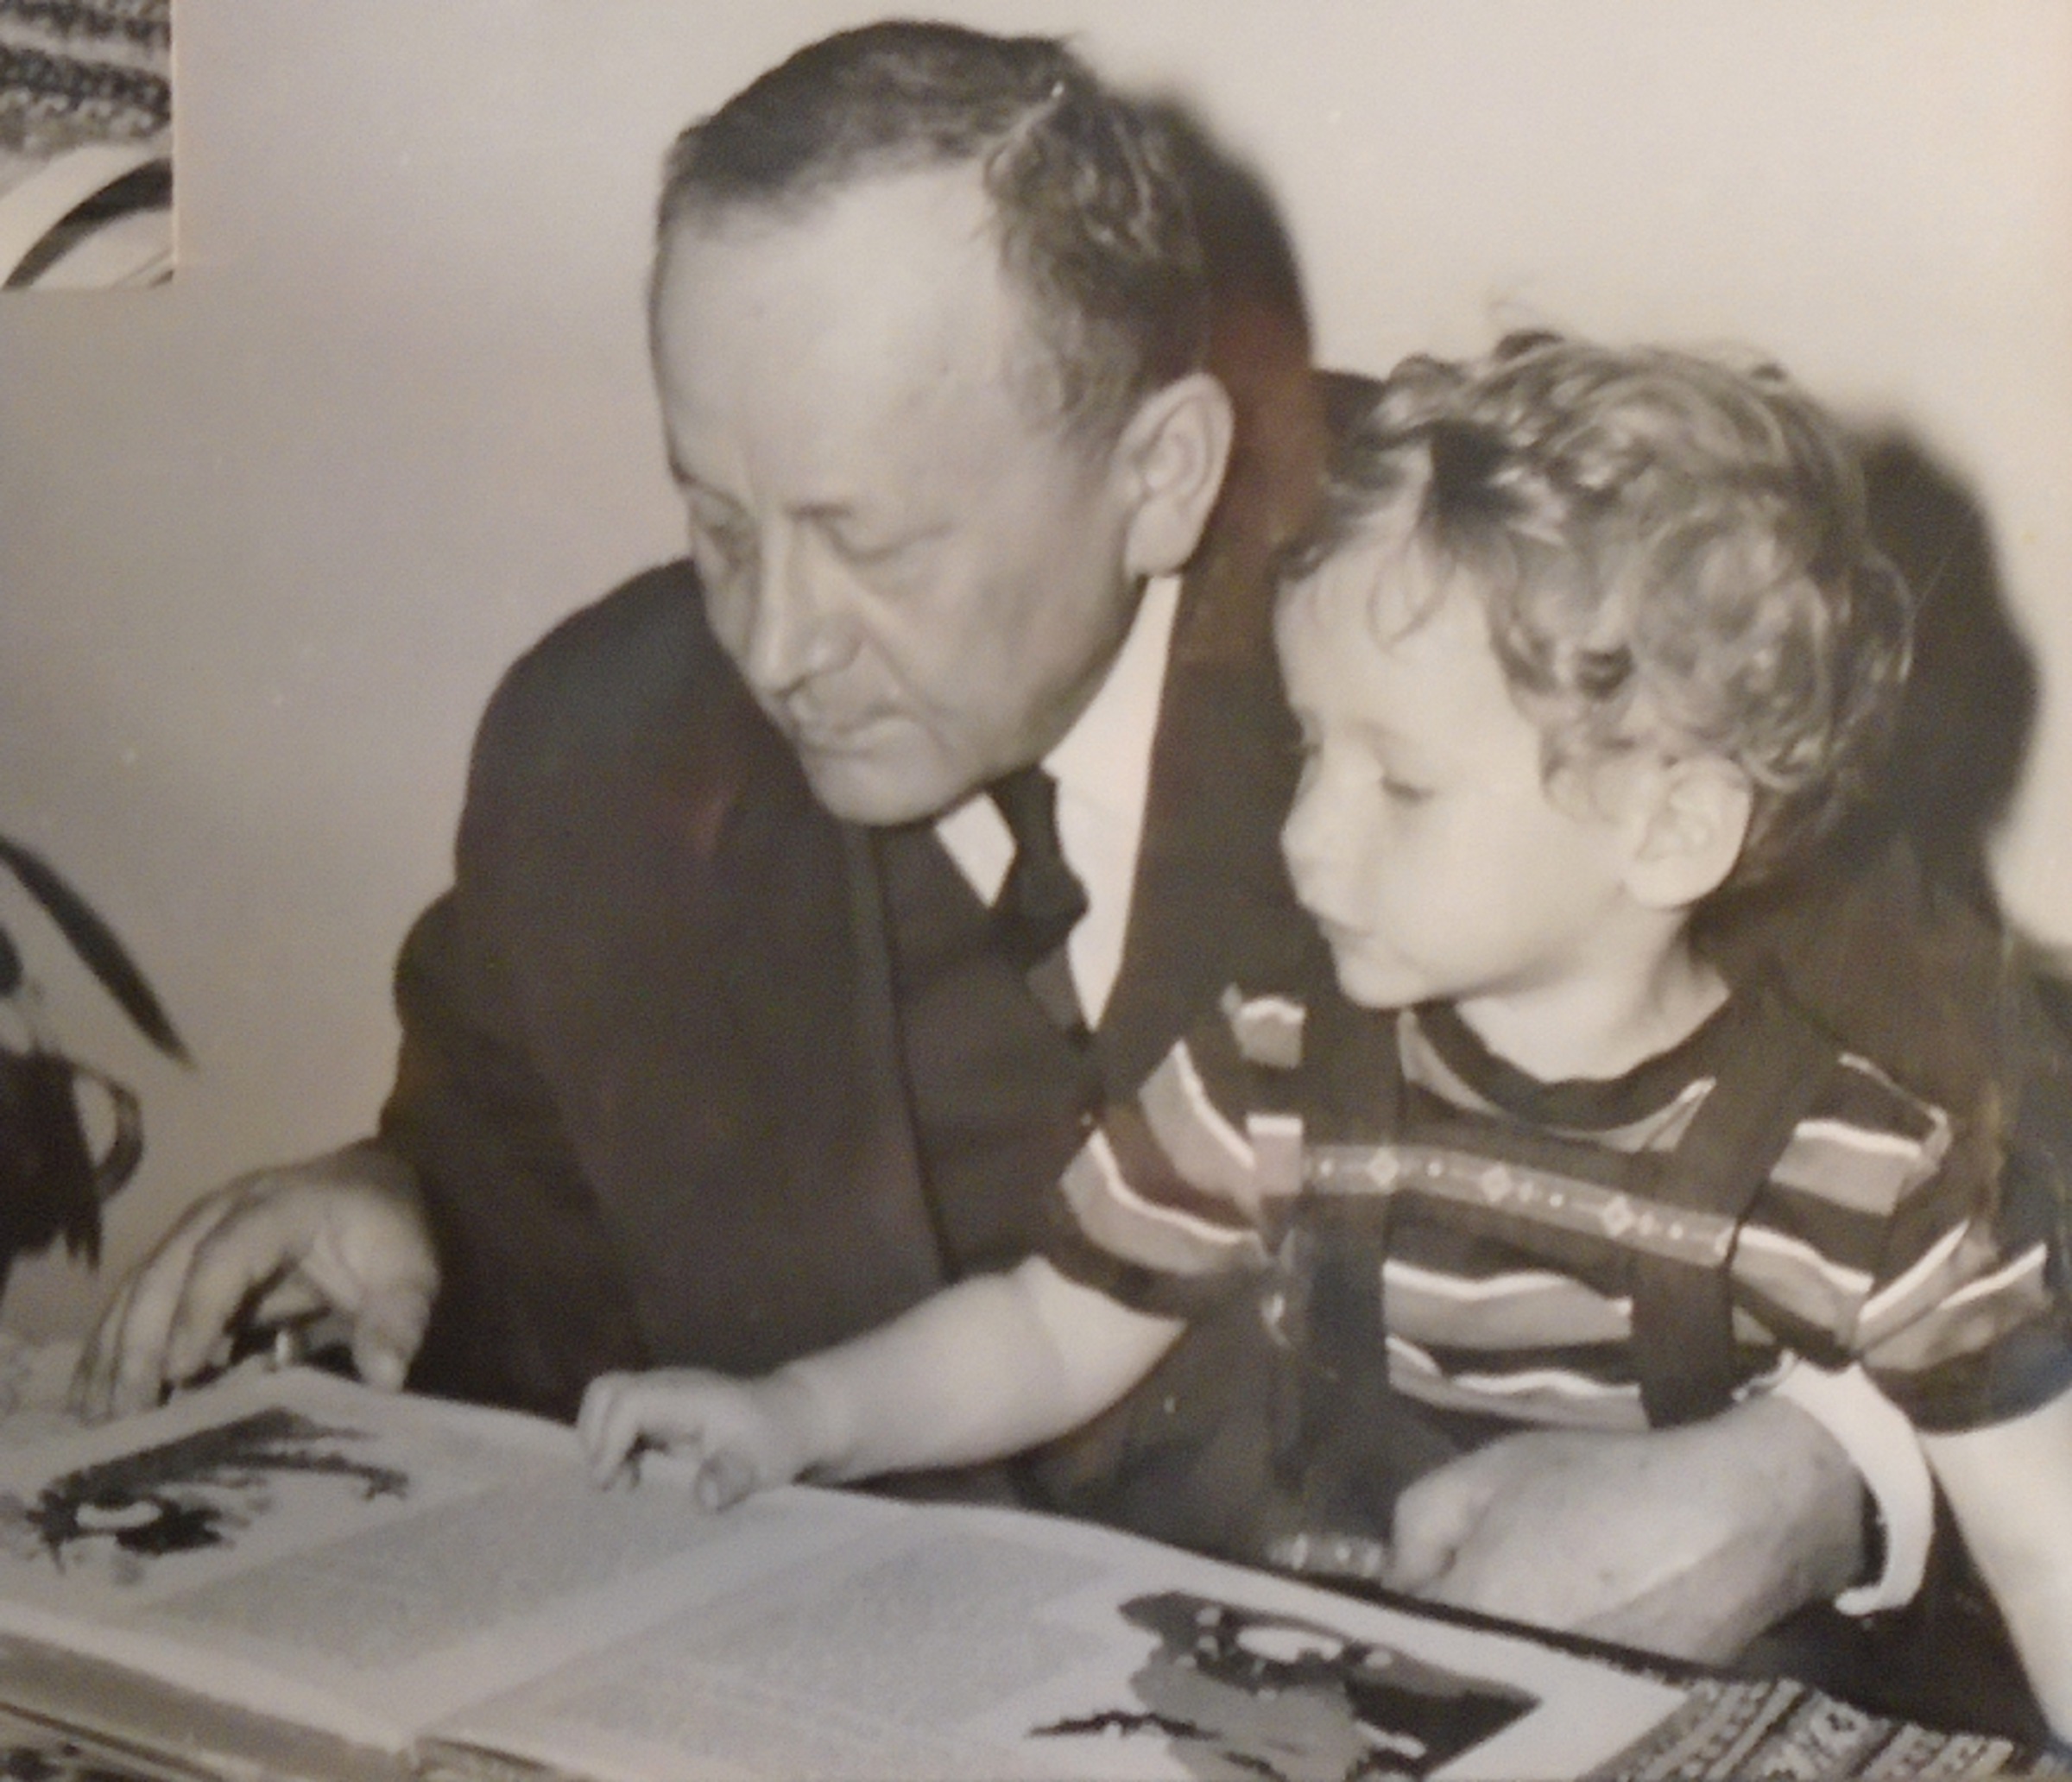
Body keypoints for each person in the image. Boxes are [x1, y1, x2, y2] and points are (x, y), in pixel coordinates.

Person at [74, 22, 1892, 1665]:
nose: (772, 642)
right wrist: (401, 1207)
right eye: (719, 522)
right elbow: (515, 1188)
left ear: (1161, 475)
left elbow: (1979, 1141)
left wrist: (1820, 1477)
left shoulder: (1508, 628)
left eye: (871, 542)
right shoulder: (598, 752)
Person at [572, 333, 2072, 1734]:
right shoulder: (1277, 1072)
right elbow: (1047, 1327)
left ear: (1670, 827)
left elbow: (2044, 1540)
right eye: (1310, 749)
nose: (1304, 839)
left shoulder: (1873, 1175)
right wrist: (799, 1414)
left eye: (1400, 786)